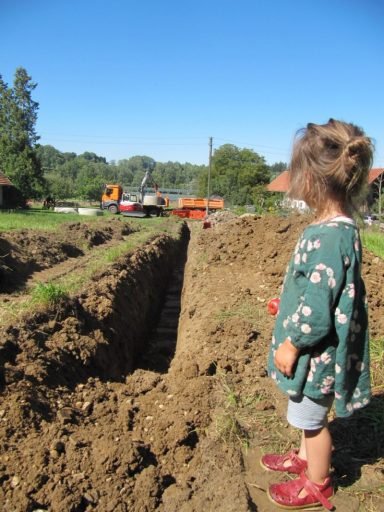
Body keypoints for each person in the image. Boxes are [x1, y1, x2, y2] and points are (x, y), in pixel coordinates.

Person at [261, 119, 373, 510]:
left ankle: (317, 482)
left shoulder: (328, 237)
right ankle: (305, 459)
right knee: (307, 416)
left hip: (315, 353)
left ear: (309, 179)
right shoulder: (336, 229)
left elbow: (319, 314)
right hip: (315, 347)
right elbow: (319, 291)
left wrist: (292, 343)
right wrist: (287, 305)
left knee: (313, 422)